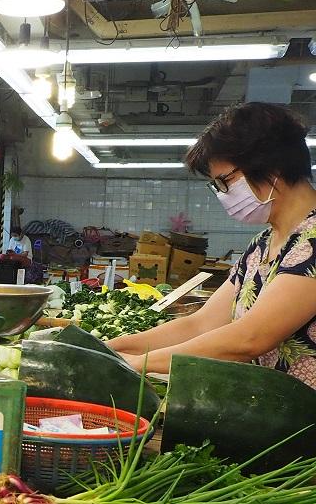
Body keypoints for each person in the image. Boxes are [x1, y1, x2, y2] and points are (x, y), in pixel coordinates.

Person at [107, 102, 316, 389]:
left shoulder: (312, 243)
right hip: (267, 413)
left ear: (271, 166)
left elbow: (249, 338)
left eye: (225, 181)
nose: (223, 194)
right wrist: (111, 348)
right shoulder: (261, 246)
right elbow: (200, 324)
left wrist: (135, 364)